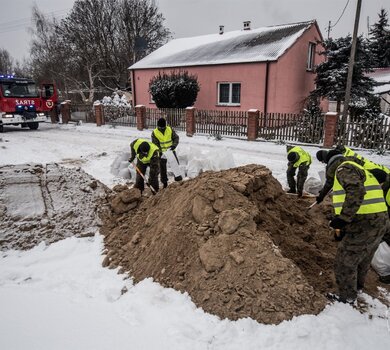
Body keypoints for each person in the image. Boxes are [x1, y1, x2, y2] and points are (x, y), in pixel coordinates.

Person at [325, 153, 388, 303]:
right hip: (379, 221)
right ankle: (357, 287)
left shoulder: (343, 168)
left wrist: (343, 219)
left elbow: (356, 191)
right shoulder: (361, 169)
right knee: (363, 258)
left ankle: (347, 298)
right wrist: (344, 226)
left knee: (344, 262)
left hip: (365, 224)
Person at [151, 117, 180, 188]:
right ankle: (164, 183)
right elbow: (155, 144)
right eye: (161, 127)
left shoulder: (169, 129)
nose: (162, 128)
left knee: (175, 164)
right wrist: (160, 152)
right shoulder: (155, 133)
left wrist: (174, 146)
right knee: (162, 168)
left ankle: (178, 180)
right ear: (158, 126)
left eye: (163, 127)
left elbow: (176, 138)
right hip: (162, 153)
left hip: (171, 151)